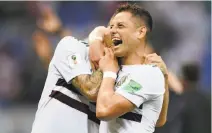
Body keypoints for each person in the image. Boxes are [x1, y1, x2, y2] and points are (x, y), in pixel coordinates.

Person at [89, 3, 169, 133]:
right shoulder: (112, 64)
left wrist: (109, 73)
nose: (112, 31)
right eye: (111, 26)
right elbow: (158, 119)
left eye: (121, 26)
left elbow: (104, 111)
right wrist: (97, 33)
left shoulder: (147, 73)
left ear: (140, 32)